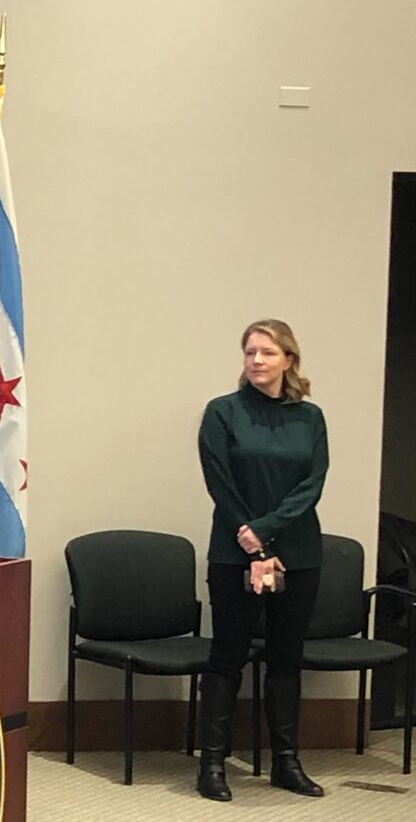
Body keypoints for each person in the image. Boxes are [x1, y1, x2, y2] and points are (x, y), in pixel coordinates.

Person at [196, 318, 329, 801]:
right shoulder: (222, 412)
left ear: (289, 359)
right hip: (235, 551)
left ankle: (286, 762)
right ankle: (212, 765)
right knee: (227, 655)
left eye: (268, 352)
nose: (257, 360)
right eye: (250, 351)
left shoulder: (310, 418)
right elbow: (220, 482)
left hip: (299, 551)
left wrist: (267, 533)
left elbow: (312, 484)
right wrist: (254, 544)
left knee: (286, 658)